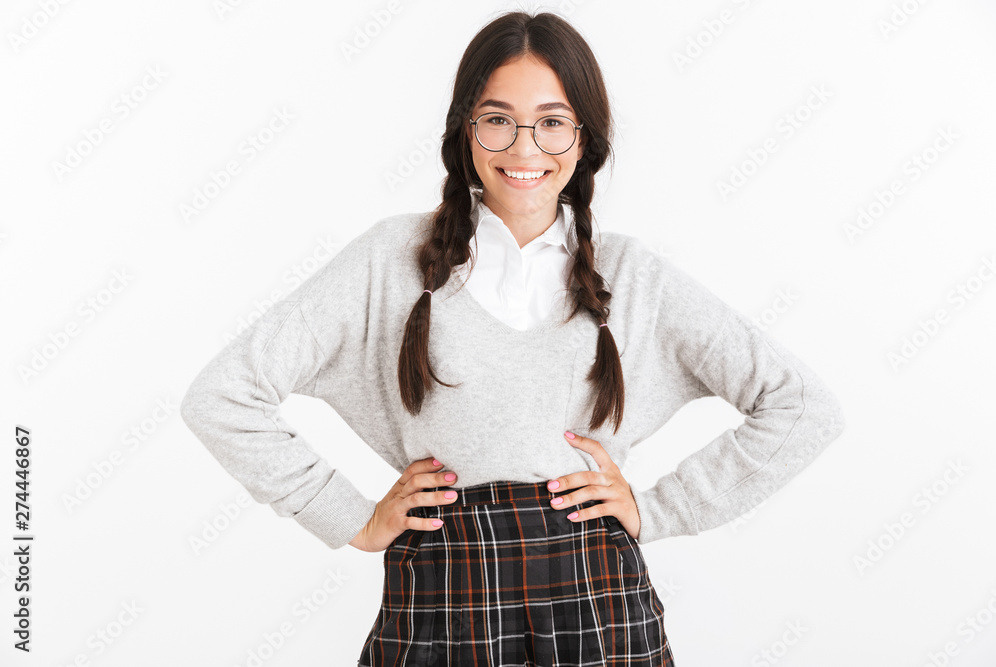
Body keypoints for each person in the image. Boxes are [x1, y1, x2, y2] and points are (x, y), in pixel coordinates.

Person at [180, 10, 846, 666]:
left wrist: (658, 509)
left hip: (598, 603)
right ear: (465, 131)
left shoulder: (635, 276)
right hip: (444, 599)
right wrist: (350, 517)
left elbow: (800, 406)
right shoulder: (390, 263)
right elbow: (222, 396)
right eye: (498, 120)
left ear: (586, 139)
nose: (525, 149)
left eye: (552, 123)